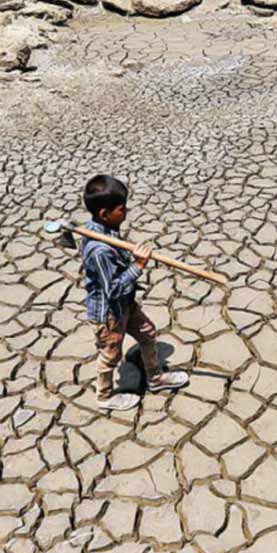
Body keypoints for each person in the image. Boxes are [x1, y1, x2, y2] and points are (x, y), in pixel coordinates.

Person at [80, 175, 189, 410]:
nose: (126, 212)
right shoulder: (99, 250)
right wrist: (138, 265)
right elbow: (114, 288)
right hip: (109, 313)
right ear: (104, 214)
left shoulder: (104, 229)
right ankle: (105, 396)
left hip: (125, 303)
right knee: (110, 356)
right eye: (121, 209)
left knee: (147, 333)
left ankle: (155, 378)